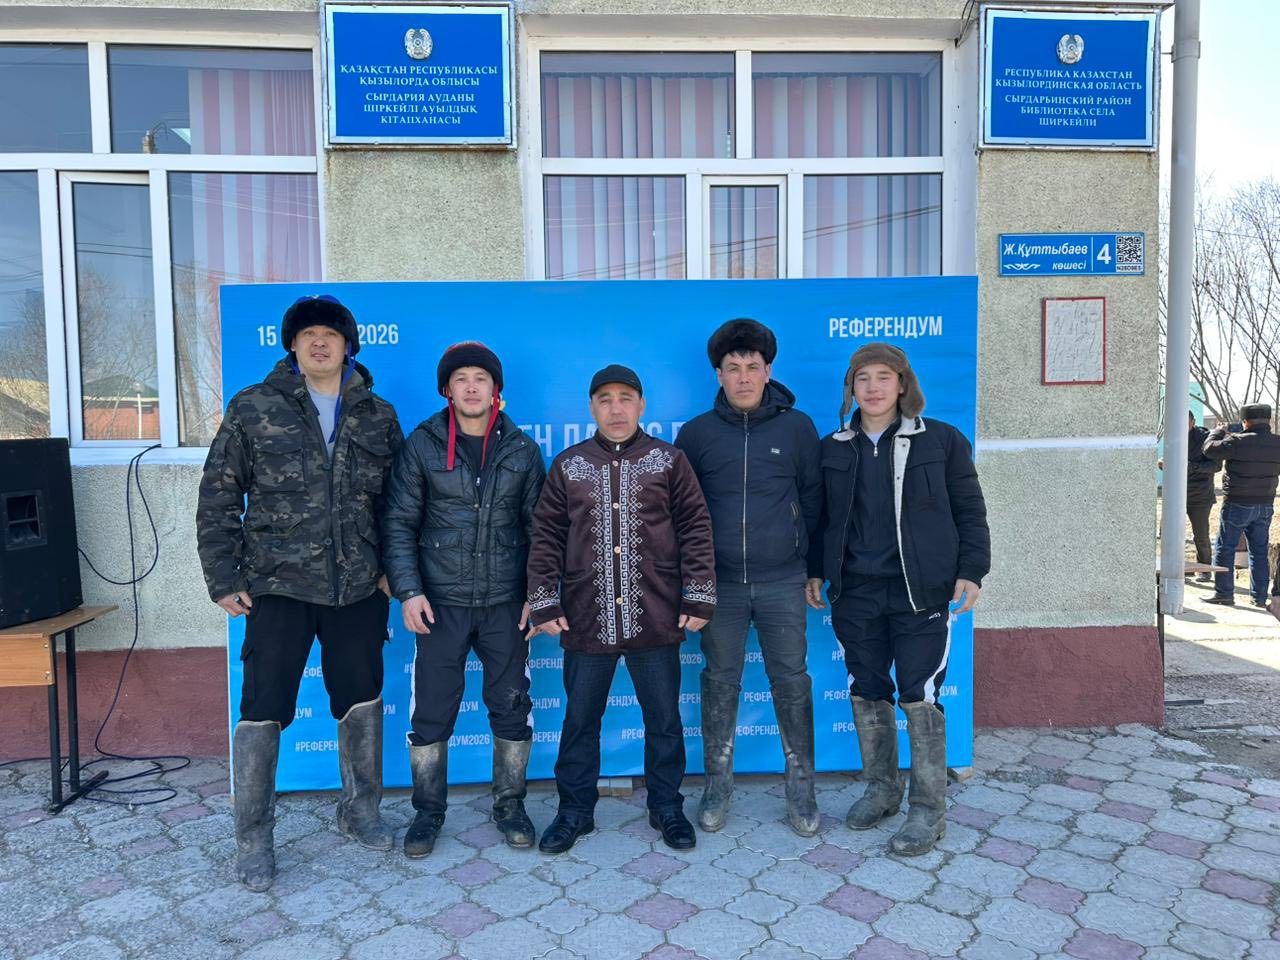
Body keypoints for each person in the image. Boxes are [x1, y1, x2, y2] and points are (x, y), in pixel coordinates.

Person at [196, 294, 402, 892]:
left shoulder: (377, 415)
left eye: (330, 335)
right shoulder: (254, 406)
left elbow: (397, 504)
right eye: (307, 334)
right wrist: (224, 577)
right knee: (263, 707)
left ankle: (360, 812)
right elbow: (219, 493)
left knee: (360, 698)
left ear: (347, 346)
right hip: (277, 586)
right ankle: (253, 837)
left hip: (358, 587)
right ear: (291, 345)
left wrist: (394, 571)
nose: (319, 342)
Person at [526, 364, 716, 854]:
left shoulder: (668, 461)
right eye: (605, 399)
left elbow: (695, 527)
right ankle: (574, 811)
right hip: (586, 615)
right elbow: (546, 536)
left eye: (625, 398)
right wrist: (544, 600)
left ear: (641, 405)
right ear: (591, 407)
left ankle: (667, 807)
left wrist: (698, 594)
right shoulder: (569, 465)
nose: (616, 408)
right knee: (579, 721)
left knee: (664, 720)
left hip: (655, 612)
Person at [813, 343, 989, 858]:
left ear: (902, 384)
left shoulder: (942, 441)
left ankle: (928, 810)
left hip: (921, 591)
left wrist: (971, 571)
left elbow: (970, 509)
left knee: (920, 695)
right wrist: (815, 571)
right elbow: (820, 519)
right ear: (851, 388)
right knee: (867, 689)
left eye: (883, 376)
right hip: (856, 592)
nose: (873, 387)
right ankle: (882, 790)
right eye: (862, 377)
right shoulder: (833, 448)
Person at [380, 342, 546, 857]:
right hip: (440, 604)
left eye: (481, 378)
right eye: (461, 379)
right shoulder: (422, 445)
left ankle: (510, 806)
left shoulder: (521, 450)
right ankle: (427, 813)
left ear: (495, 390)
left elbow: (541, 530)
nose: (472, 387)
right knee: (431, 713)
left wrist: (539, 595)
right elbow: (399, 523)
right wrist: (409, 592)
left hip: (505, 603)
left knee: (512, 708)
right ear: (446, 390)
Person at [674, 318, 824, 836]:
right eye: (733, 368)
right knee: (719, 682)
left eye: (752, 367)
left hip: (783, 580)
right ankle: (717, 787)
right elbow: (682, 514)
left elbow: (814, 502)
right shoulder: (696, 434)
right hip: (720, 586)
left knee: (792, 681)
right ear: (718, 374)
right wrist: (691, 580)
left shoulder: (797, 428)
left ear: (768, 371)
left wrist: (815, 568)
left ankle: (801, 791)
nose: (743, 377)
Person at [1203, 403, 1280, 607]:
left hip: (1237, 503)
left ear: (1245, 422)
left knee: (1225, 548)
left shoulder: (1237, 441)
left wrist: (1218, 432)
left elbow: (1208, 449)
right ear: (1268, 421)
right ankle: (1259, 597)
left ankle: (1224, 593)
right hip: (1265, 504)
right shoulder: (1277, 443)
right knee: (1259, 552)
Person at [1185, 410, 1220, 582]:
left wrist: (1190, 466)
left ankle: (1204, 569)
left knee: (1201, 535)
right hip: (1175, 493)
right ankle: (1178, 567)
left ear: (1193, 422)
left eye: (1185, 421)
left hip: (1200, 494)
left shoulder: (1205, 438)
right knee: (1173, 534)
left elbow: (1215, 466)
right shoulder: (1171, 436)